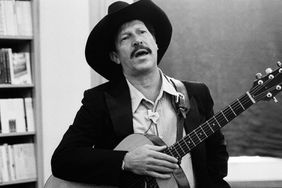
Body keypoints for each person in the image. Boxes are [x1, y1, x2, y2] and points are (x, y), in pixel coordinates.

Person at [51, 0, 230, 188]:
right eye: (125, 38)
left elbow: (216, 158)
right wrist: (126, 160)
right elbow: (63, 159)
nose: (137, 40)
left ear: (156, 43)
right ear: (115, 56)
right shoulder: (99, 101)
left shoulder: (196, 94)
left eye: (142, 32)